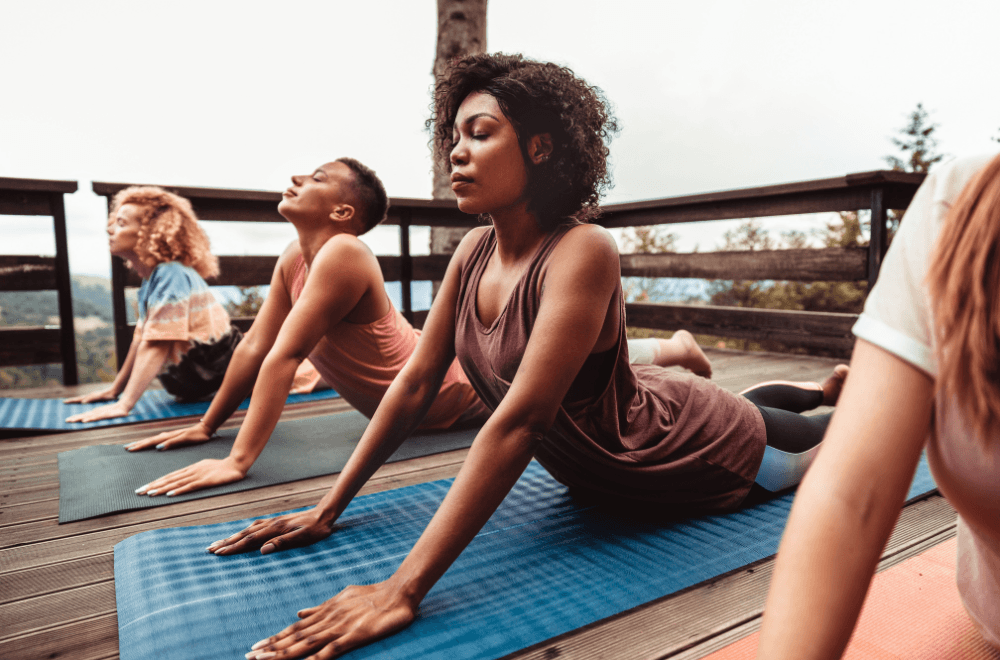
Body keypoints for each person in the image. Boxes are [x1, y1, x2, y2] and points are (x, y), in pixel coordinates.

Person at [205, 54, 847, 660]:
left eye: (480, 133)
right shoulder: (471, 254)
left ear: (539, 148)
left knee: (829, 439)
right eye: (453, 136)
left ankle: (842, 397)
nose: (456, 150)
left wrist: (400, 590)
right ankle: (819, 385)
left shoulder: (583, 249)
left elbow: (521, 420)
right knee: (749, 400)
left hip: (694, 452)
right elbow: (415, 383)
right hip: (626, 442)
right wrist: (327, 509)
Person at [125, 168, 715, 500]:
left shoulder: (345, 253)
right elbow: (256, 346)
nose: (297, 176)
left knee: (540, 369)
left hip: (447, 390)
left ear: (343, 214)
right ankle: (672, 348)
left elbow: (284, 357)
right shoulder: (292, 259)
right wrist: (206, 424)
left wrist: (238, 458)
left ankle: (672, 349)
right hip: (425, 386)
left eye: (320, 176)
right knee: (540, 355)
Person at [755, 151, 1000, 659]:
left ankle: (833, 397)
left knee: (771, 420)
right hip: (700, 404)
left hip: (710, 419)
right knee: (761, 408)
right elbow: (851, 492)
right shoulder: (962, 200)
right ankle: (834, 393)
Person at [64, 186, 241, 423]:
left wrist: (124, 404)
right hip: (204, 377)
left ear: (149, 233)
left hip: (230, 368)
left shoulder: (172, 274)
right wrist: (116, 390)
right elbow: (142, 339)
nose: (109, 229)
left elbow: (158, 343)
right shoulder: (152, 281)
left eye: (121, 223)